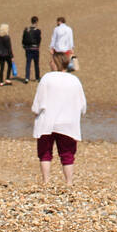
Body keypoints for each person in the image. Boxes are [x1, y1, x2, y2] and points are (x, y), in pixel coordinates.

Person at [31, 51, 87, 185]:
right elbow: (82, 105)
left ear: (55, 63)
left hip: (47, 121)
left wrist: (35, 111)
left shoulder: (47, 78)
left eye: (51, 60)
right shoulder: (74, 80)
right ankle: (69, 182)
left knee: (45, 152)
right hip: (68, 122)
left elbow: (39, 101)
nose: (50, 63)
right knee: (67, 153)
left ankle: (46, 181)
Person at [21, 16, 43, 83]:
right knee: (36, 63)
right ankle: (37, 77)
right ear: (36, 22)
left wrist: (24, 46)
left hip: (28, 48)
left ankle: (27, 77)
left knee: (28, 63)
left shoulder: (26, 30)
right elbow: (39, 40)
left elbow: (23, 39)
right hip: (35, 48)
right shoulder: (38, 31)